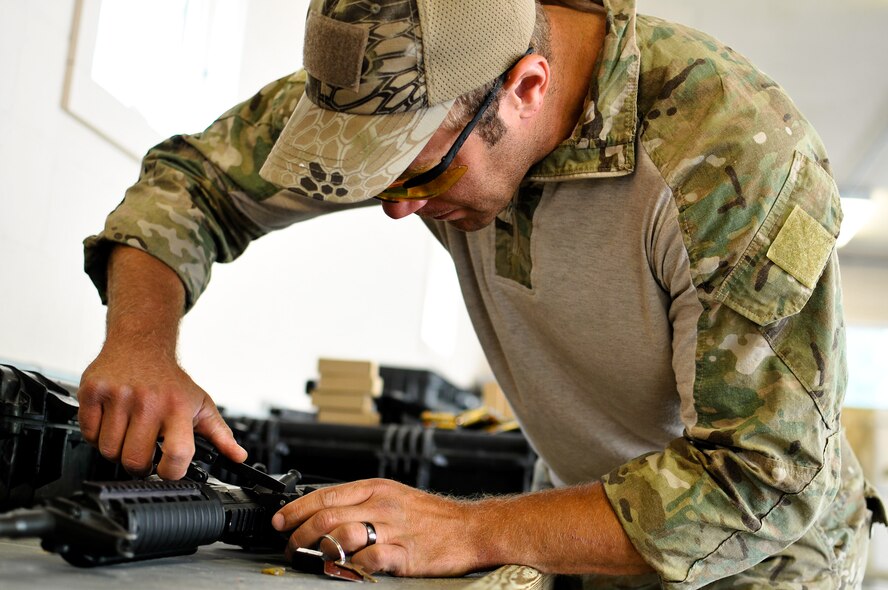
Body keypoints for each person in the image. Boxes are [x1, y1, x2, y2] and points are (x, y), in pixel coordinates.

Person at [77, 0, 885, 587]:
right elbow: (192, 180)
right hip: (576, 505)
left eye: (422, 174)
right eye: (375, 179)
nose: (397, 207)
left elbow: (764, 482)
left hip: (763, 563)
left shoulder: (731, 163)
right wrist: (141, 344)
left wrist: (466, 529)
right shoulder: (405, 80)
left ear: (526, 87)